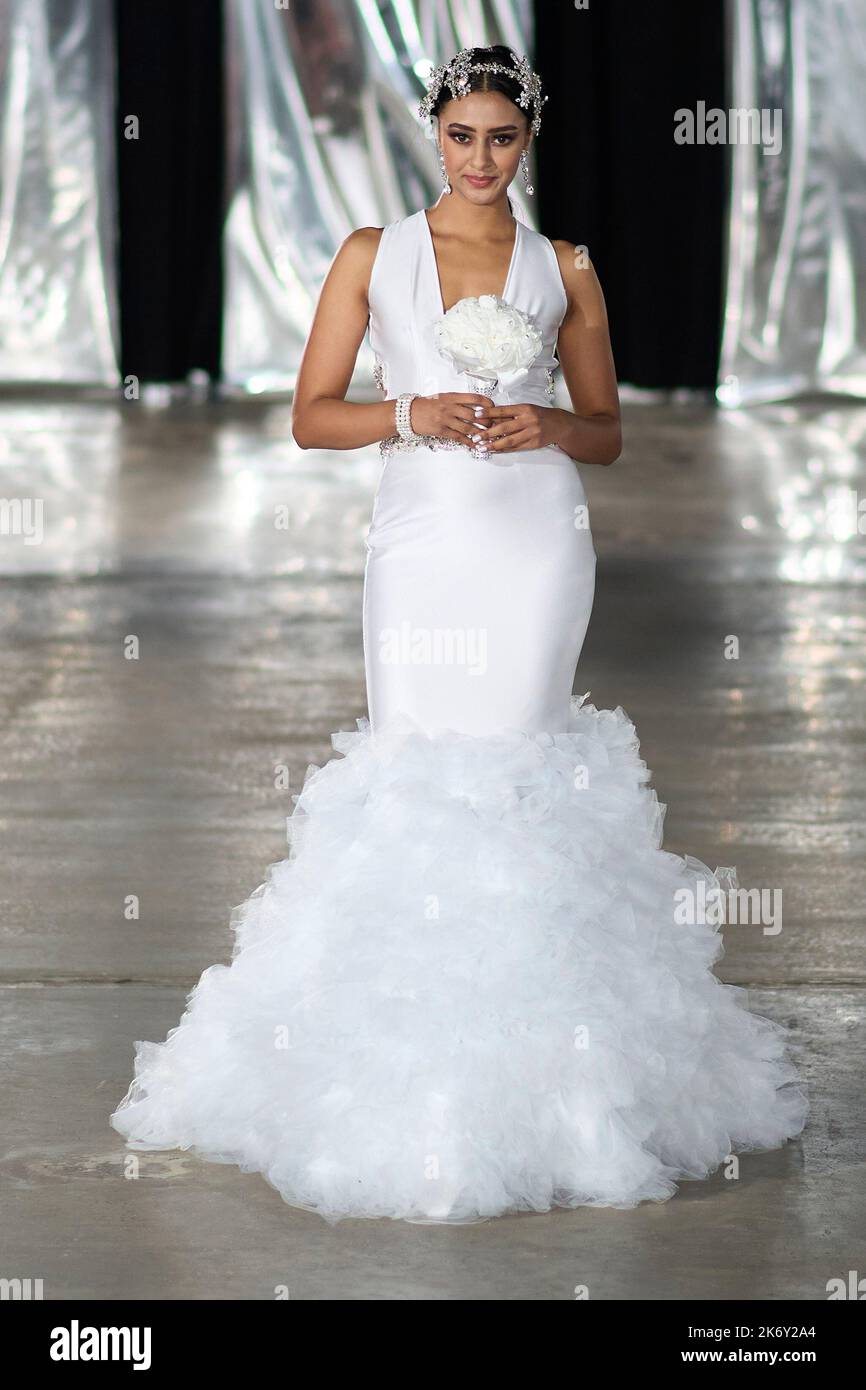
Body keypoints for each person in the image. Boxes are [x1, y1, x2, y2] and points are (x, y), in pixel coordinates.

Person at [111, 45, 808, 1224]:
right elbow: (307, 416)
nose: (479, 159)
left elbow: (606, 433)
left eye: (501, 138)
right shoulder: (372, 257)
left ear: (526, 140)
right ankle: (396, 1074)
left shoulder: (564, 266)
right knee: (417, 776)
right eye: (459, 136)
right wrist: (409, 411)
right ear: (430, 132)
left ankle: (558, 1079)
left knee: (519, 772)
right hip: (422, 549)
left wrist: (542, 421)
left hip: (535, 545)